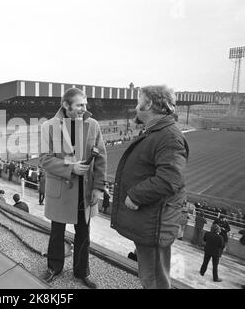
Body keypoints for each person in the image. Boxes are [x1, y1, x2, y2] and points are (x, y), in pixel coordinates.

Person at [110, 85, 189, 289]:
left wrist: (136, 195)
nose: (136, 107)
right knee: (150, 276)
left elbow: (170, 178)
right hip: (150, 221)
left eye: (139, 101)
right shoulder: (158, 132)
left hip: (155, 223)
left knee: (154, 280)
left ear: (150, 104)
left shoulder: (168, 136)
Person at [40, 87, 107, 289]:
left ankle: (81, 271)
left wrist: (98, 188)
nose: (84, 108)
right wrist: (71, 168)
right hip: (61, 190)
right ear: (66, 105)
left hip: (85, 192)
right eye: (79, 105)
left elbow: (101, 157)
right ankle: (54, 267)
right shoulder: (49, 126)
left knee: (84, 234)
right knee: (57, 233)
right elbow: (45, 159)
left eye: (85, 104)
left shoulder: (92, 125)